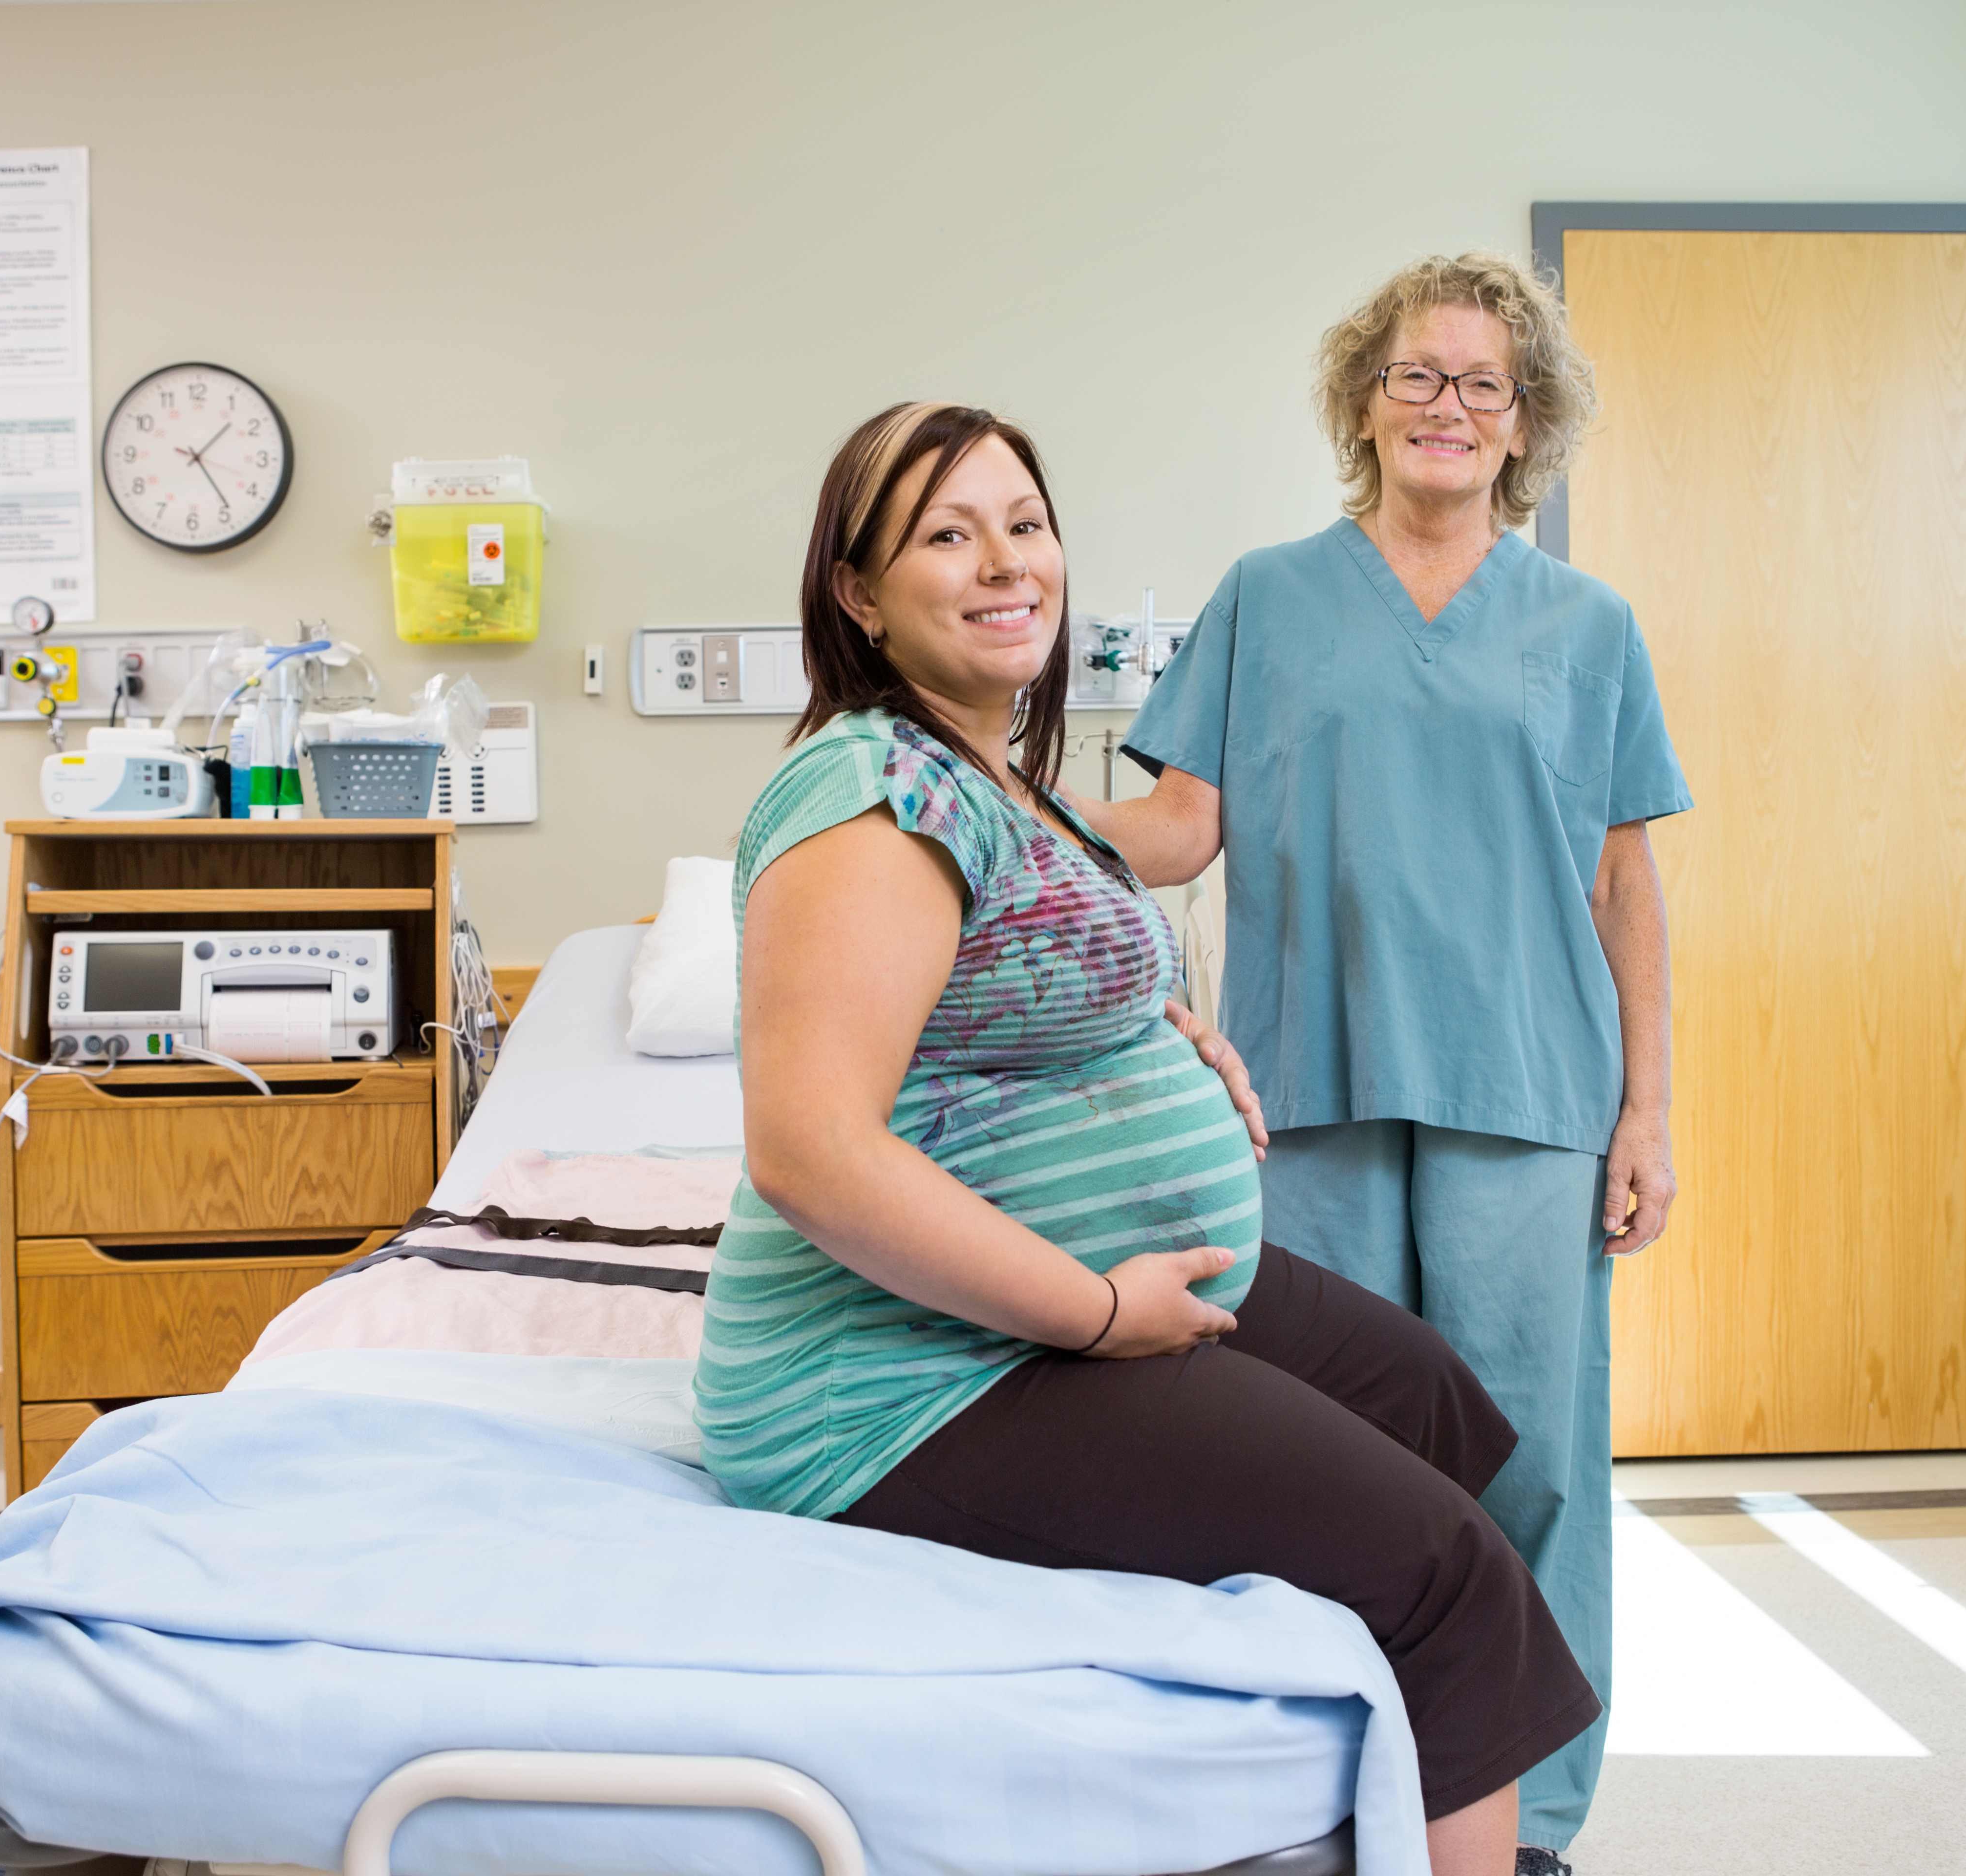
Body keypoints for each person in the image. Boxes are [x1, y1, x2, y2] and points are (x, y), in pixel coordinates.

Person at [698, 400, 1603, 1876]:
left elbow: (1026, 974)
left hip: (1055, 1289)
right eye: (945, 534)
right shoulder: (874, 795)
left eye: (1024, 524)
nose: (1005, 564)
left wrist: (1165, 1039)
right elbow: (812, 1152)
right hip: (905, 1374)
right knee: (1452, 1576)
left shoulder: (1000, 778)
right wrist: (1098, 1311)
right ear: (859, 596)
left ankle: (1339, 1798)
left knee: (1436, 1405)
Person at [1081, 253, 1692, 1872]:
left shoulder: (1584, 624)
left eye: (1480, 384)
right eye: (1416, 376)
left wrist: (1648, 1109)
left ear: (1522, 423)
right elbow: (1183, 825)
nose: (1446, 406)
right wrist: (1012, 810)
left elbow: (1623, 883)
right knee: (1316, 1464)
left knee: (1530, 1463)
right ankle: (1314, 1792)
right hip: (1308, 1085)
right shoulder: (1270, 597)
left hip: (1529, 1088)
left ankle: (1532, 1821)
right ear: (1365, 403)